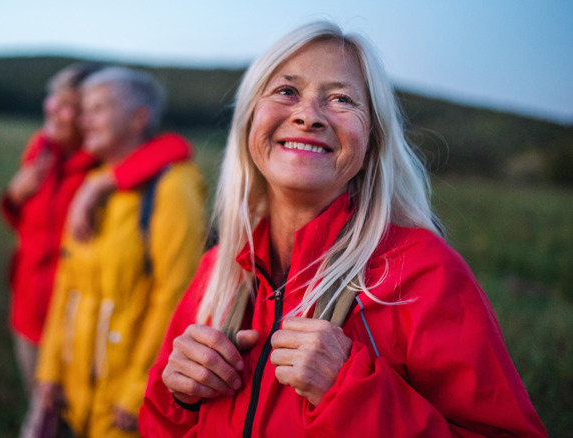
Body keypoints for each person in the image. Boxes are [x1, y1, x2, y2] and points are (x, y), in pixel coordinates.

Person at [139, 21, 548, 437]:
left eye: (341, 99)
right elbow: (158, 425)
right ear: (249, 122)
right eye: (286, 91)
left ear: (372, 143)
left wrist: (352, 392)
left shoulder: (424, 272)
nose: (307, 115)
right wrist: (180, 397)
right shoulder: (218, 270)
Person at [0, 63, 192, 437]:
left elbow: (173, 147)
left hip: (99, 352)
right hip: (34, 322)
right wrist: (14, 196)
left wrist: (106, 182)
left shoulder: (113, 172)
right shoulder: (45, 152)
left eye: (83, 107)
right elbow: (40, 242)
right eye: (57, 101)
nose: (58, 111)